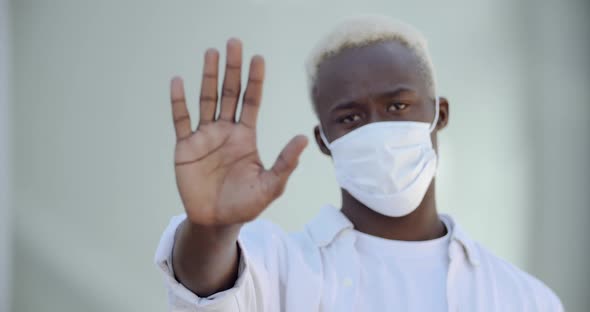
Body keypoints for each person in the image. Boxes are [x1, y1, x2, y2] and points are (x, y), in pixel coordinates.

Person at [155, 15, 563, 311]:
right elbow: (204, 282)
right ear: (324, 140)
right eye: (350, 117)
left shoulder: (524, 299)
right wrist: (212, 229)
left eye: (398, 106)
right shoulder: (277, 266)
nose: (378, 130)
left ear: (440, 114)